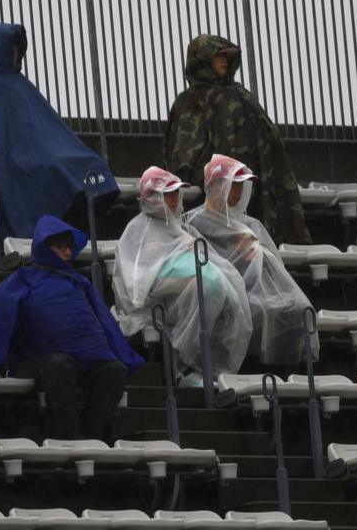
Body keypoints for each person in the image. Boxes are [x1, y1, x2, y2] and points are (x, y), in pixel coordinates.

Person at [0, 21, 118, 238]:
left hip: (36, 157)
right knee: (53, 171)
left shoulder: (20, 86)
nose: (15, 53)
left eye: (17, 47)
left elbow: (46, 131)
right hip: (13, 163)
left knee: (90, 167)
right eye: (12, 47)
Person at [0, 215, 145, 440]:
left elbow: (104, 321)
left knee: (115, 371)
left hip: (88, 359)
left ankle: (92, 438)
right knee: (58, 364)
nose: (68, 253)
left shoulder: (79, 281)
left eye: (69, 247)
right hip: (39, 358)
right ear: (44, 246)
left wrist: (125, 357)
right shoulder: (23, 278)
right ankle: (69, 438)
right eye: (61, 247)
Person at [164, 34, 312, 246]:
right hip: (226, 196)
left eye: (227, 56)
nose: (224, 60)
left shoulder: (239, 93)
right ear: (202, 59)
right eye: (218, 56)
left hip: (262, 188)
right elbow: (185, 154)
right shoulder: (191, 100)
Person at [111, 167, 252, 384]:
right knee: (207, 286)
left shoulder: (180, 228)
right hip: (161, 302)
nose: (174, 199)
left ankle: (213, 370)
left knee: (229, 292)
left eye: (176, 193)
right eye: (167, 194)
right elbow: (136, 285)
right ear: (153, 196)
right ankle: (185, 364)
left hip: (198, 295)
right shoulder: (137, 231)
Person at [185, 155, 317, 365]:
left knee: (298, 308)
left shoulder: (252, 225)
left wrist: (257, 251)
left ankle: (285, 374)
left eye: (241, 186)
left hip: (261, 290)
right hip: (225, 292)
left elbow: (274, 266)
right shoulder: (194, 222)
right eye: (233, 184)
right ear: (216, 185)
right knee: (251, 310)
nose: (238, 192)